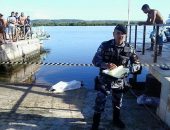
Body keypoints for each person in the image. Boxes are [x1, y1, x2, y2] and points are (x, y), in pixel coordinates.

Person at [91, 24, 141, 130]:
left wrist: (128, 70)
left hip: (119, 80)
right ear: (113, 34)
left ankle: (116, 120)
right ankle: (95, 125)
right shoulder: (105, 45)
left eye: (123, 34)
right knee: (100, 102)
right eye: (118, 33)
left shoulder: (130, 48)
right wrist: (106, 65)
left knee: (118, 102)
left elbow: (137, 65)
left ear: (126, 36)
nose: (120, 36)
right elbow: (95, 61)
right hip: (105, 79)